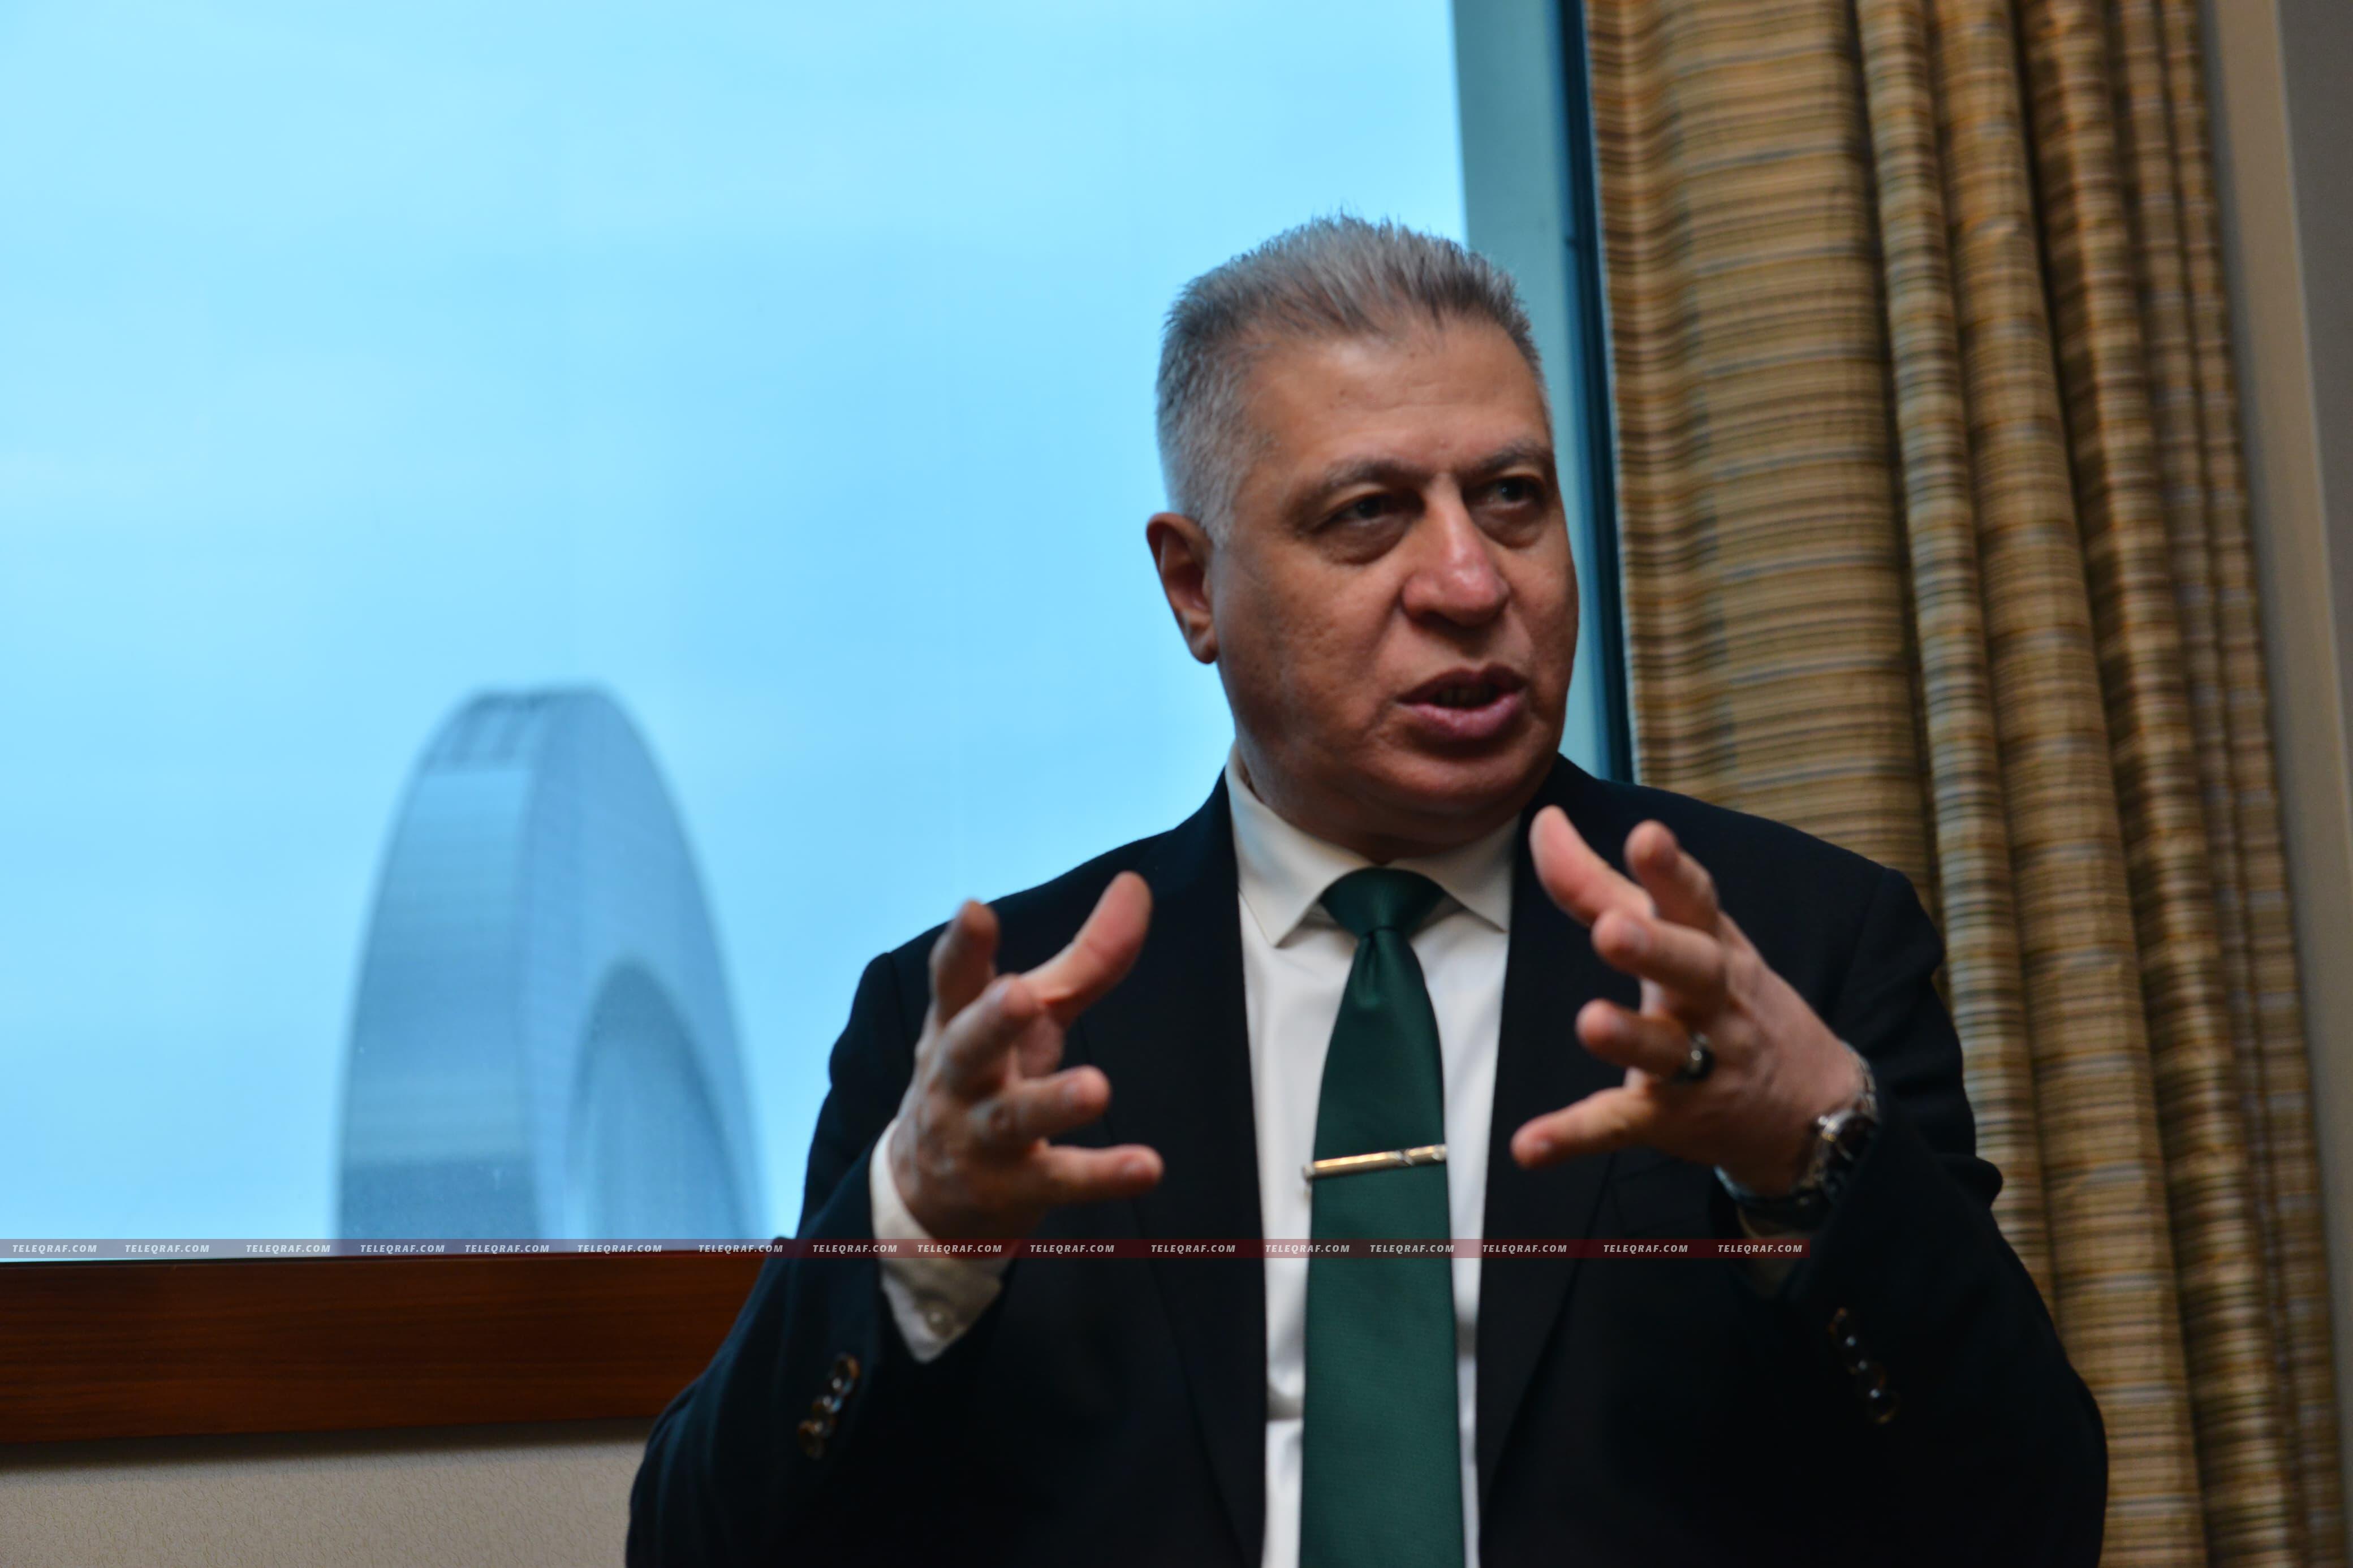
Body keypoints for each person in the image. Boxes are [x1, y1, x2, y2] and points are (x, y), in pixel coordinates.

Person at [627, 217, 2106, 1567]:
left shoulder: (1793, 951)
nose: (1470, 582)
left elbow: (2030, 1519)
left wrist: (1816, 1156)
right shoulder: (987, 1034)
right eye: (1368, 514)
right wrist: (912, 1241)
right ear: (1193, 587)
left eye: (1512, 498)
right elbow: (700, 1551)